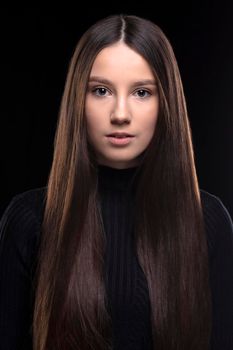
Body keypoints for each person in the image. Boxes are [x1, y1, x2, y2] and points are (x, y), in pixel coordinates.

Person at [0, 14, 232, 350]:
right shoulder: (29, 220)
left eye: (141, 92)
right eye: (101, 90)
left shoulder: (207, 220)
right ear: (77, 102)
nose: (120, 113)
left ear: (166, 103)